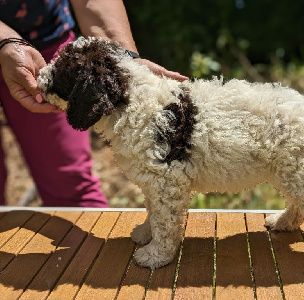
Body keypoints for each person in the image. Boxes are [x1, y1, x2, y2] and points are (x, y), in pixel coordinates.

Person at [0, 0, 188, 207]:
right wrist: (4, 41)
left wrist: (123, 58)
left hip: (41, 49)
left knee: (70, 186)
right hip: (13, 45)